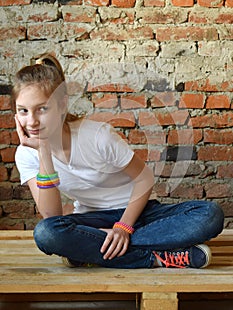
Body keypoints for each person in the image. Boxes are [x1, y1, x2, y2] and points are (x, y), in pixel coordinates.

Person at [13, 53, 224, 269]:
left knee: (210, 215)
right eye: (23, 111)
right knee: (46, 233)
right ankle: (157, 257)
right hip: (92, 220)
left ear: (62, 105)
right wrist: (44, 151)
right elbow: (52, 216)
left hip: (138, 212)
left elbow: (144, 179)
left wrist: (123, 228)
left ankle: (91, 249)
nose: (32, 121)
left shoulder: (97, 136)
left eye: (42, 109)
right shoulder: (26, 153)